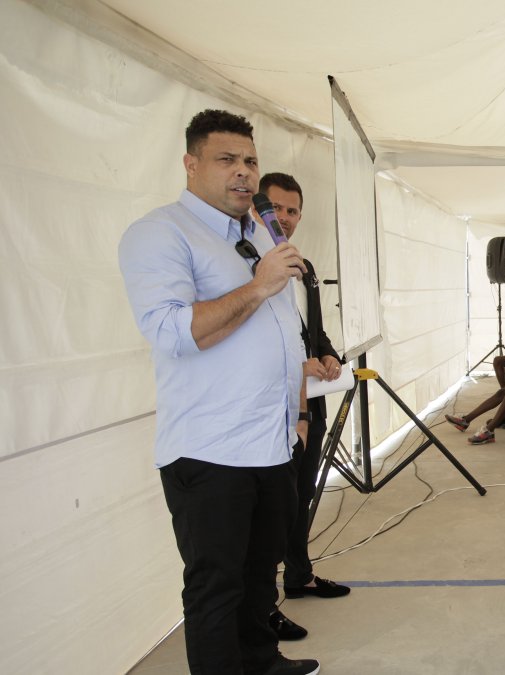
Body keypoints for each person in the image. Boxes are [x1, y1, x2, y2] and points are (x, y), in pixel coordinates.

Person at [117, 110, 318, 674]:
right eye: (226, 160)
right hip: (210, 450)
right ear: (191, 163)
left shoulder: (258, 232)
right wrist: (258, 286)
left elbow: (283, 335)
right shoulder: (160, 233)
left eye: (250, 161)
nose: (244, 173)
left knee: (260, 574)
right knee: (216, 586)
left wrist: (298, 416)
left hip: (272, 442)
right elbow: (174, 332)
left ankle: (261, 659)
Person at [257, 173, 352, 617]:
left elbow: (311, 331)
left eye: (293, 211)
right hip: (271, 406)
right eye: (277, 208)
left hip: (310, 399)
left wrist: (328, 356)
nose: (286, 219)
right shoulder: (248, 267)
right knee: (273, 505)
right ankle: (262, 604)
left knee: (302, 494)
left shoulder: (303, 267)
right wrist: (297, 366)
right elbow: (248, 345)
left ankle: (299, 575)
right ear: (259, 208)